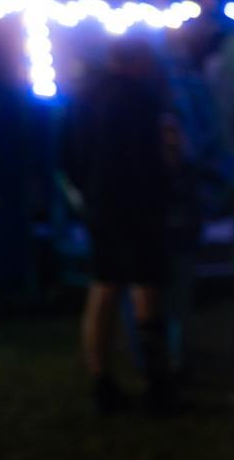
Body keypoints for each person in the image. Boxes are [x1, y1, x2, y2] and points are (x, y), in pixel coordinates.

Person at [61, 36, 181, 414]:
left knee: (103, 287)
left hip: (100, 207)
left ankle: (102, 380)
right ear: (139, 61)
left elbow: (65, 155)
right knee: (145, 291)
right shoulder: (141, 100)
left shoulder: (82, 98)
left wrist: (88, 194)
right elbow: (155, 158)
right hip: (139, 207)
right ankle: (157, 384)